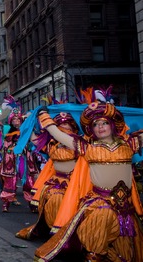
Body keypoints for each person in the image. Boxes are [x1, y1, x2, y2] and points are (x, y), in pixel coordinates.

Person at [34, 99, 143, 261]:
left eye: (104, 123)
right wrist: (43, 115)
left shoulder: (129, 144)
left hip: (125, 206)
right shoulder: (87, 147)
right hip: (100, 203)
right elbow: (57, 134)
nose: (100, 127)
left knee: (126, 255)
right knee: (96, 241)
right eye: (95, 124)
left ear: (112, 124)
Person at [16, 111, 80, 240]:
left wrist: (44, 117)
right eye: (61, 125)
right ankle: (54, 231)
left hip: (73, 183)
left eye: (67, 124)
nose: (64, 128)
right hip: (55, 181)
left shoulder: (77, 143)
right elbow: (35, 140)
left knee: (63, 204)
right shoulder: (53, 144)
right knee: (50, 203)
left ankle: (65, 233)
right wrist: (29, 123)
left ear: (73, 127)